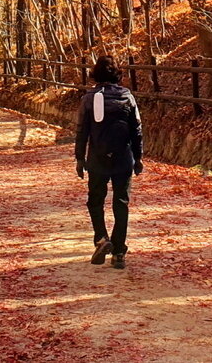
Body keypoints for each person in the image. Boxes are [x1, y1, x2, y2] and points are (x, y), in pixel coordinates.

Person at [75, 56, 143, 270]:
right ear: (117, 75)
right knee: (121, 202)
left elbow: (82, 130)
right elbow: (137, 129)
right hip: (123, 157)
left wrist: (79, 158)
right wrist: (139, 157)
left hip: (97, 157)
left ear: (95, 76)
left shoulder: (89, 99)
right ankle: (119, 252)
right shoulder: (127, 97)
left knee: (95, 201)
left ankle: (102, 239)